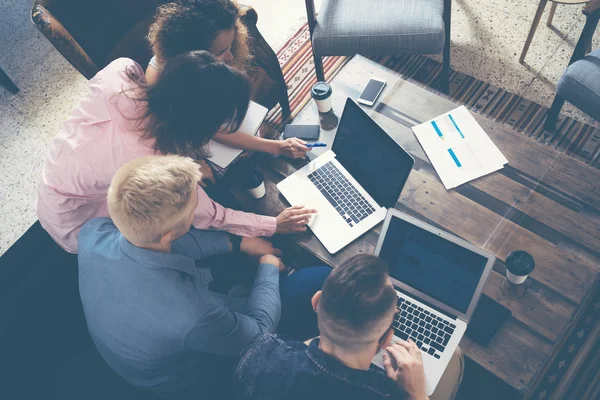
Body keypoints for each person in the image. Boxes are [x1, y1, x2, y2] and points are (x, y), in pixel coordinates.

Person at [78, 155, 331, 399]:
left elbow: (166, 243)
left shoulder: (92, 231)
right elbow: (260, 333)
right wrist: (268, 266)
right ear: (169, 232)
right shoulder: (192, 314)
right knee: (321, 278)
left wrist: (237, 242)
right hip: (201, 378)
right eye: (194, 206)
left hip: (138, 335)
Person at [36, 50, 315, 254]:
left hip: (54, 179)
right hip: (79, 226)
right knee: (173, 226)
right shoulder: (157, 165)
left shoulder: (122, 69)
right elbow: (210, 215)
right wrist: (273, 224)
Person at [235, 254, 464, 400]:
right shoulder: (389, 393)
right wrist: (417, 394)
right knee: (456, 356)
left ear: (316, 302)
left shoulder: (261, 352)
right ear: (386, 342)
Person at [146, 0, 309, 159]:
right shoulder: (161, 80)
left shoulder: (216, 61)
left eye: (231, 45)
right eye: (220, 52)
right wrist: (276, 147)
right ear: (192, 53)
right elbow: (212, 129)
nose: (231, 56)